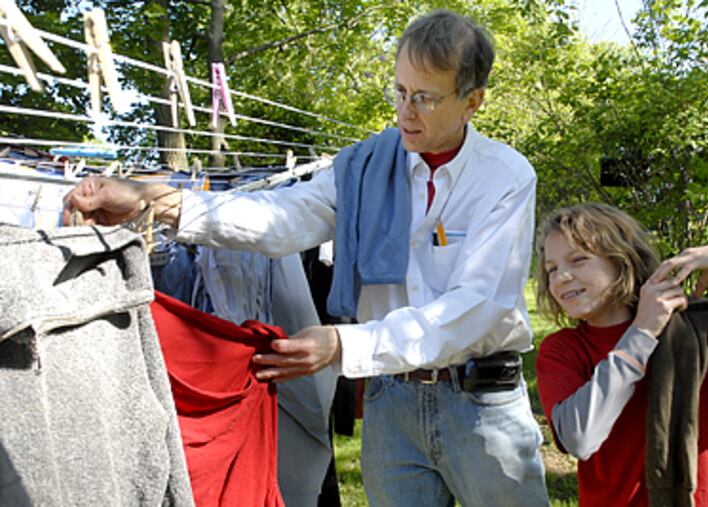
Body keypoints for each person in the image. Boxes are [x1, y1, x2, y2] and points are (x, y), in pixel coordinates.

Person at [64, 9, 549, 506]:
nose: (406, 112)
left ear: (473, 101)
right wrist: (156, 201)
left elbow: (475, 307)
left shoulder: (505, 177)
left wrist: (343, 344)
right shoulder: (365, 167)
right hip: (390, 405)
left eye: (424, 97)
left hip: (483, 405)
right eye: (400, 92)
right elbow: (281, 216)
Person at [534, 202, 708, 506]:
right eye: (552, 269)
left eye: (578, 259)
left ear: (622, 261)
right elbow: (579, 437)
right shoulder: (562, 350)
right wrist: (641, 333)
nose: (561, 277)